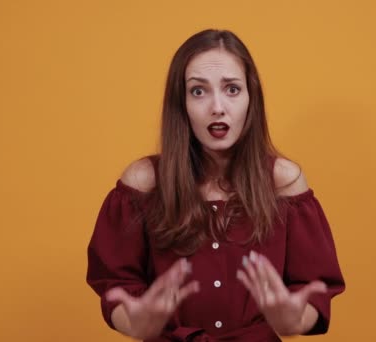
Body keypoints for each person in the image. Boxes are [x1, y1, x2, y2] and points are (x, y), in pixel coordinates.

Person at [86, 29, 345, 341]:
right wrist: (135, 321)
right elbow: (117, 284)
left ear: (252, 98)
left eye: (232, 89)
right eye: (198, 91)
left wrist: (294, 319)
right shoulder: (143, 183)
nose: (217, 107)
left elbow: (311, 294)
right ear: (180, 103)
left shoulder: (284, 183)